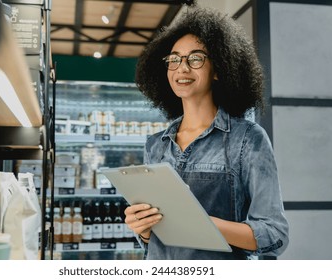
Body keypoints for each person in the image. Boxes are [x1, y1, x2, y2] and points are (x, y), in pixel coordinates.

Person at [124, 6, 289, 260]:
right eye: (175, 59)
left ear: (219, 68)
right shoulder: (155, 145)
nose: (182, 68)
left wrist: (201, 223)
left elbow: (274, 234)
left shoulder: (247, 139)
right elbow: (153, 240)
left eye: (196, 58)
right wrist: (143, 228)